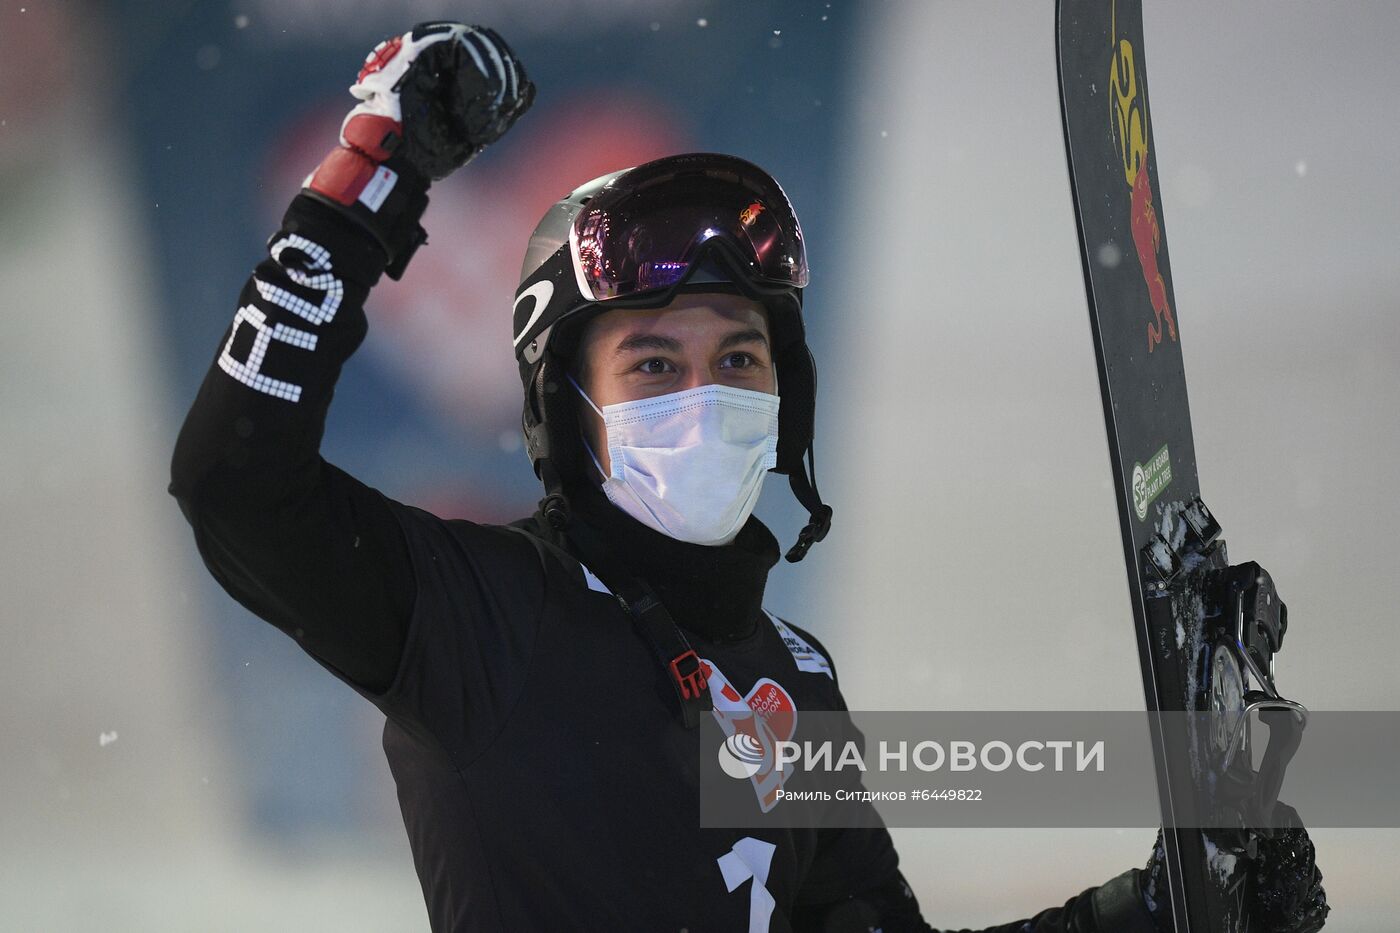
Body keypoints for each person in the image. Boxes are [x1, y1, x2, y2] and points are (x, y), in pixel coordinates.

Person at [168, 22, 1327, 932]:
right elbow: (232, 479)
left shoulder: (791, 677)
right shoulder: (478, 618)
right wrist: (369, 174)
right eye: (653, 362)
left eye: (738, 357)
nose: (706, 392)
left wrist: (1163, 904)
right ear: (562, 408)